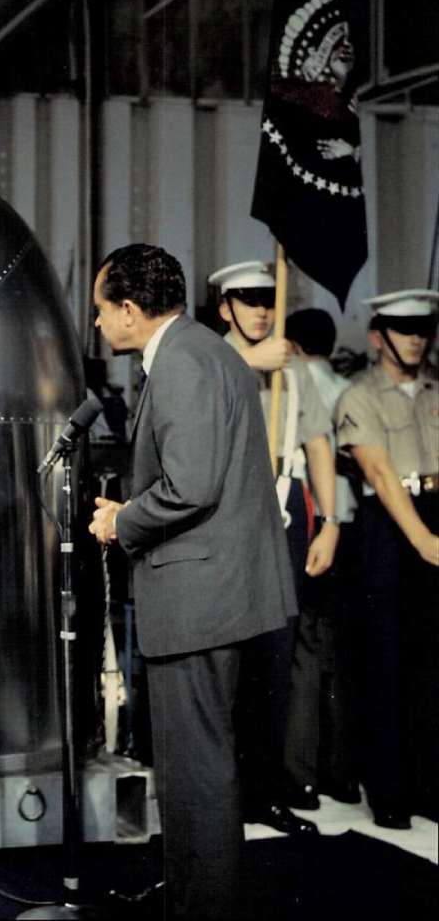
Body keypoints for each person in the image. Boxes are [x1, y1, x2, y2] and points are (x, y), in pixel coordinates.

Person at [88, 244, 296, 921]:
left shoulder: (179, 362)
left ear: (127, 308)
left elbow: (192, 485)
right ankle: (192, 893)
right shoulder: (204, 352)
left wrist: (122, 520)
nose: (96, 324)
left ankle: (203, 906)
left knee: (196, 773)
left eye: (100, 309)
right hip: (215, 593)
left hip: (198, 598)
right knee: (194, 768)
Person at [210, 261, 338, 832]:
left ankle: (265, 790)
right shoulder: (208, 357)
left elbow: (317, 444)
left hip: (283, 513)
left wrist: (330, 521)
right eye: (248, 299)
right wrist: (245, 362)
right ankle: (218, 795)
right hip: (224, 517)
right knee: (225, 659)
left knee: (276, 657)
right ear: (225, 307)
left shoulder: (293, 369)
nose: (261, 310)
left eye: (269, 299)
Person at [335, 289, 439, 829]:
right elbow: (378, 473)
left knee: (431, 661)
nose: (417, 338)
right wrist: (423, 540)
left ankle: (427, 783)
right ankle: (389, 790)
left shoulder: (434, 392)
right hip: (390, 530)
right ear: (378, 337)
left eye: (423, 329)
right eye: (404, 329)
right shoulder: (359, 397)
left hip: (434, 515)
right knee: (385, 663)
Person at [281, 307, 359, 807]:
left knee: (304, 654)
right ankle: (341, 773)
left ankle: (301, 775)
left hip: (314, 524)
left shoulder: (296, 378)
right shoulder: (346, 384)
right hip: (355, 521)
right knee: (338, 656)